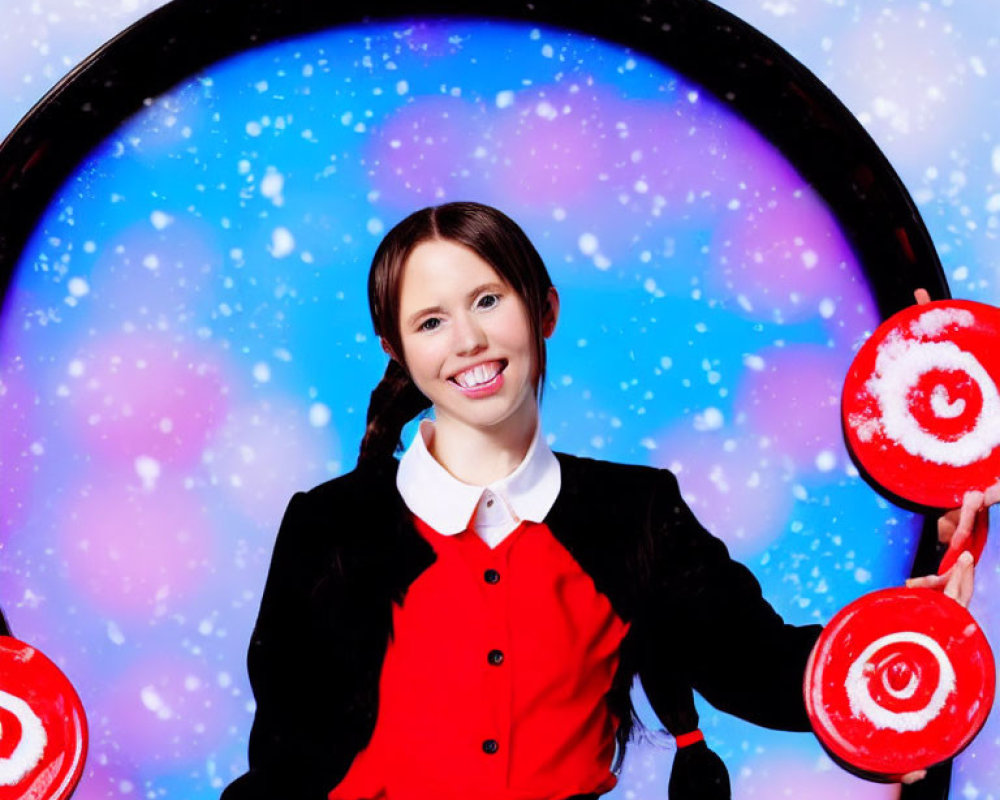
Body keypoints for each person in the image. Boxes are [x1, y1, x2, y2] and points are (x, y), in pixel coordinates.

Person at [222, 202, 980, 800]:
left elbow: (760, 665)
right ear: (395, 346)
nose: (468, 340)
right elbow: (285, 759)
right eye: (430, 321)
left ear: (544, 309)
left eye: (489, 299)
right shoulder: (328, 527)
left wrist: (906, 641)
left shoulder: (637, 512)